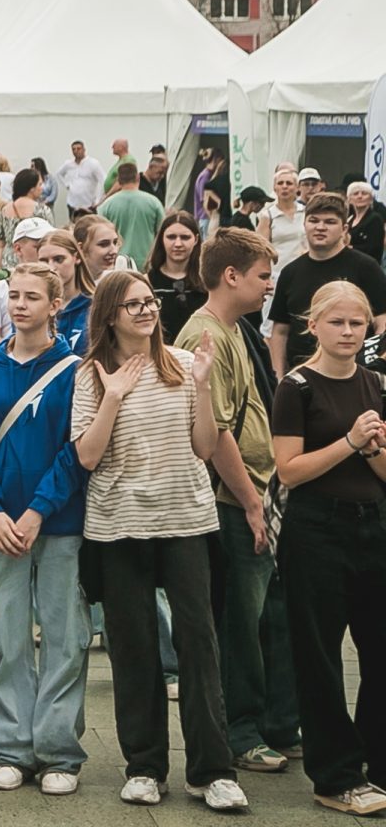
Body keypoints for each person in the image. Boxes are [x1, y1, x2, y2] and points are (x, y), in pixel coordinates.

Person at [71, 271, 245, 810]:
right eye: (134, 305)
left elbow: (204, 447)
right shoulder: (91, 374)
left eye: (150, 302)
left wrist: (203, 385)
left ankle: (212, 771)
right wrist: (113, 397)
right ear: (110, 316)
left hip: (185, 520)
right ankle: (145, 766)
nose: (147, 311)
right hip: (118, 524)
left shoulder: (185, 364)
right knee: (134, 648)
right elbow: (87, 456)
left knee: (199, 643)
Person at [0, 261, 89, 795]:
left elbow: (76, 452)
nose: (20, 305)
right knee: (6, 638)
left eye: (32, 296)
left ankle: (59, 752)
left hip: (58, 523)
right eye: (14, 295)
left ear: (55, 305)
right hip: (1, 525)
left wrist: (38, 510)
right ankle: (12, 748)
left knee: (64, 639)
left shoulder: (74, 369)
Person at [173, 228, 297, 777]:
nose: (270, 286)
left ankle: (274, 722)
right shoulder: (207, 334)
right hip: (232, 497)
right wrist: (250, 503)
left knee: (268, 615)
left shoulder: (231, 328)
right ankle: (241, 732)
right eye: (263, 276)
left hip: (254, 490)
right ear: (231, 276)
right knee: (240, 623)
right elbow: (217, 432)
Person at [270, 282, 386, 816]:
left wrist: (372, 449)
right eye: (337, 322)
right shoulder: (296, 387)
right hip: (315, 529)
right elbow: (290, 470)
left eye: (356, 323)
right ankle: (335, 775)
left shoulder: (376, 383)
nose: (347, 332)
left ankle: (376, 764)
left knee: (379, 649)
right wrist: (350, 442)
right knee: (319, 656)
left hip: (373, 525)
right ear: (313, 325)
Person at [268, 192, 386, 376]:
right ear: (304, 224)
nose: (320, 227)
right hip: (300, 374)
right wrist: (278, 376)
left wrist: (375, 369)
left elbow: (382, 323)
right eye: (314, 221)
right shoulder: (290, 272)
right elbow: (280, 331)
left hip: (354, 375)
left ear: (344, 228)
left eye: (330, 222)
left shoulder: (365, 267)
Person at [148, 212, 208, 341]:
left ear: (196, 239)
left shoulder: (208, 282)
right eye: (171, 237)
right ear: (161, 238)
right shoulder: (147, 282)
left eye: (185, 237)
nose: (178, 244)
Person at [100, 162, 167, 269]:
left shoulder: (106, 205)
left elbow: (99, 235)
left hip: (117, 263)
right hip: (145, 263)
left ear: (119, 180)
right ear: (138, 178)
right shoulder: (154, 203)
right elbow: (163, 232)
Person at [257, 167, 305, 271]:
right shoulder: (267, 216)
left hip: (303, 268)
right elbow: (261, 249)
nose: (284, 186)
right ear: (274, 188)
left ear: (297, 188)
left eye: (289, 183)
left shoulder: (306, 212)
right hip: (278, 271)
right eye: (280, 183)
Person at [60, 141, 103, 219]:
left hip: (89, 205)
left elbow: (103, 180)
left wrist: (98, 200)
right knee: (74, 225)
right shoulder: (68, 164)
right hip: (73, 204)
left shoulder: (93, 163)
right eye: (74, 149)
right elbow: (59, 174)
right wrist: (66, 184)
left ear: (84, 150)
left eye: (78, 148)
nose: (76, 151)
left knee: (90, 225)